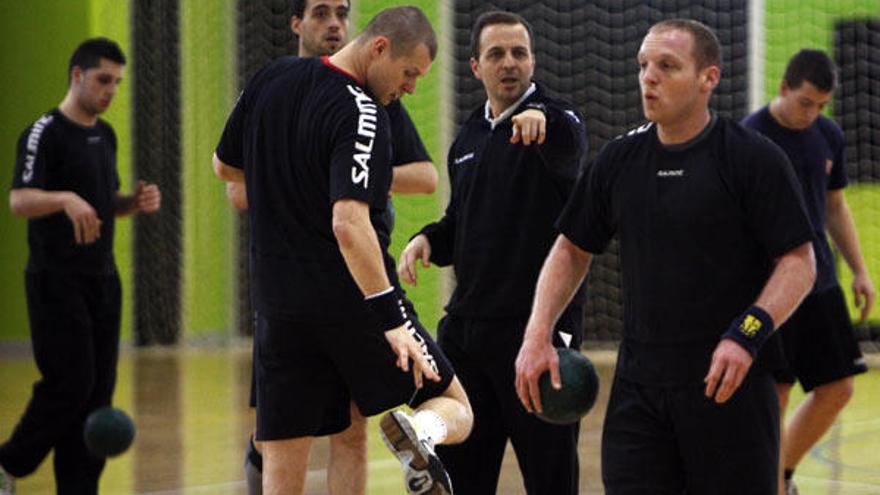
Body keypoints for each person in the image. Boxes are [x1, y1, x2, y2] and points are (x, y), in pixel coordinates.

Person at [515, 19, 818, 494]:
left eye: (667, 66)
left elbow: (799, 261)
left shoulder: (751, 159)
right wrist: (537, 333)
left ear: (708, 78)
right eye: (643, 66)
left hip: (729, 386)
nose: (648, 77)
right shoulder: (619, 161)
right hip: (640, 388)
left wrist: (748, 334)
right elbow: (571, 249)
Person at [212, 7, 472, 495]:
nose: (412, 87)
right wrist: (391, 319)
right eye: (410, 73)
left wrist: (284, 179)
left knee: (283, 473)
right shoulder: (363, 112)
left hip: (277, 309)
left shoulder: (269, 79)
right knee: (456, 406)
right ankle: (420, 433)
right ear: (378, 48)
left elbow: (223, 168)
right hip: (351, 302)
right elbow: (349, 224)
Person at [398, 11, 588, 494]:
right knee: (464, 477)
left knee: (550, 478)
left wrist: (540, 118)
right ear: (475, 66)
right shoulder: (468, 139)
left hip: (536, 341)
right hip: (471, 337)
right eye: (497, 54)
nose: (510, 63)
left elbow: (569, 140)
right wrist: (427, 239)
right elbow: (461, 223)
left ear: (533, 61)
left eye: (519, 53)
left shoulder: (555, 120)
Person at [0, 38, 161, 495]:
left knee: (97, 394)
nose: (111, 91)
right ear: (77, 75)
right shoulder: (44, 132)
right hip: (56, 278)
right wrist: (65, 199)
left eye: (117, 83)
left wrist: (131, 203)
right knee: (70, 382)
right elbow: (19, 200)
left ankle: (78, 488)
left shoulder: (103, 135)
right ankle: (9, 462)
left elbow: (101, 203)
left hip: (103, 281)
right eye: (103, 80)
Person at [742, 49, 874, 495]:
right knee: (774, 396)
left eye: (820, 105)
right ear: (783, 88)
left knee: (838, 389)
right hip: (772, 287)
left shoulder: (828, 135)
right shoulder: (752, 138)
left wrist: (860, 271)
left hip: (821, 284)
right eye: (805, 103)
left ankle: (781, 475)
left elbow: (835, 206)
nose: (811, 114)